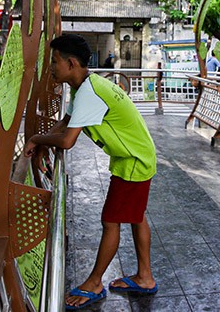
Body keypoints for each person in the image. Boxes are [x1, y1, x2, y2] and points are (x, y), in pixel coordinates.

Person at [24, 34, 158, 310]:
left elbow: (67, 141)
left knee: (111, 221)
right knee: (136, 216)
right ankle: (145, 277)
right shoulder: (86, 85)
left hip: (133, 161)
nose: (50, 67)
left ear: (71, 63)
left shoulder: (88, 91)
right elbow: (67, 121)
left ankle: (95, 282)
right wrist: (41, 141)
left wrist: (37, 140)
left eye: (54, 61)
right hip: (135, 156)